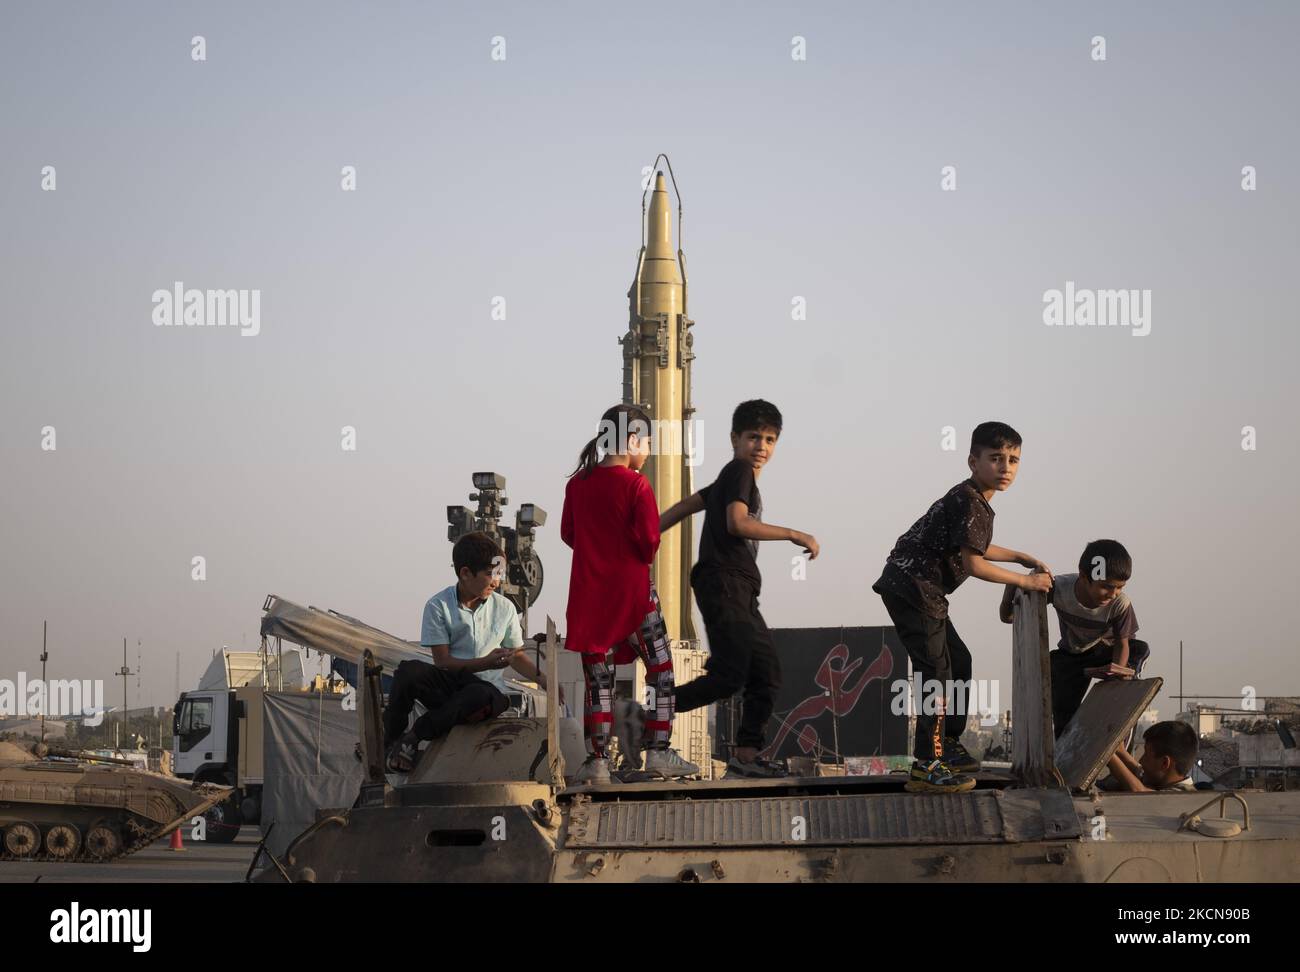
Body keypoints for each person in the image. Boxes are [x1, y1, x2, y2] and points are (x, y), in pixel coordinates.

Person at [872, 421, 1052, 793]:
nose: (1005, 467)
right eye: (996, 458)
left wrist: (1019, 556)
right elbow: (975, 564)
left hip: (922, 591)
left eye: (1014, 460)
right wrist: (1026, 580)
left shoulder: (974, 501)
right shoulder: (971, 500)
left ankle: (948, 745)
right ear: (973, 461)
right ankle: (927, 762)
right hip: (913, 588)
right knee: (934, 673)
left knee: (960, 660)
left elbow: (975, 546)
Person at [660, 399, 819, 779]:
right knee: (729, 675)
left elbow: (687, 505)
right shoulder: (739, 470)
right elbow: (737, 524)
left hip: (740, 589)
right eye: (752, 437)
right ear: (735, 438)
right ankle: (651, 713)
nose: (760, 447)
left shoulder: (731, 478)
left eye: (769, 439)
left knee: (767, 672)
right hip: (724, 582)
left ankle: (746, 757)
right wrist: (795, 533)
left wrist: (649, 531)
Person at [562, 404, 698, 784]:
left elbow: (568, 534)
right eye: (649, 442)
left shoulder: (577, 484)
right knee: (662, 671)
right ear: (633, 440)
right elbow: (649, 540)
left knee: (598, 683)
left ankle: (598, 762)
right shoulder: (637, 485)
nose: (650, 450)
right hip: (634, 595)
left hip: (589, 598)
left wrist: (597, 551)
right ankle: (657, 752)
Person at [384, 531, 553, 773]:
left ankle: (415, 735)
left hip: (486, 694)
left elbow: (516, 655)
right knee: (407, 672)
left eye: (499, 576)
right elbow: (442, 662)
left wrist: (547, 682)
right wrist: (484, 662)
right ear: (465, 573)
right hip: (452, 682)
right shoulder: (438, 605)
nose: (496, 582)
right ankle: (390, 740)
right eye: (489, 575)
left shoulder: (504, 608)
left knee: (477, 693)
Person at [1000, 539, 1148, 737]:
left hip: (1104, 653)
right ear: (1084, 576)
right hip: (1073, 657)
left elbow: (1122, 644)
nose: (1113, 594)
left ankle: (1128, 677)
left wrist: (1117, 679)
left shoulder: (1120, 604)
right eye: (1106, 586)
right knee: (1063, 715)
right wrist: (1015, 582)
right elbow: (1009, 617)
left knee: (1139, 647)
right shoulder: (1059, 588)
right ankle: (1064, 752)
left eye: (1119, 587)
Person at [1103, 720, 1199, 792]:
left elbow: (1141, 793)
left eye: (1146, 755)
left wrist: (1108, 753)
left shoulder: (1182, 797)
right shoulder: (1163, 780)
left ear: (1165, 763)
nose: (1141, 761)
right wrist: (1120, 751)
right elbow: (1139, 770)